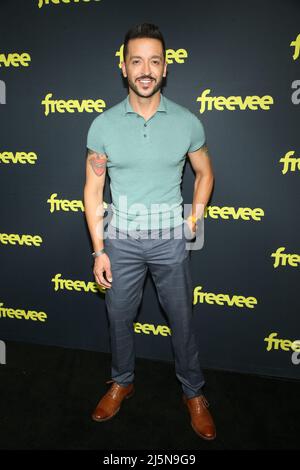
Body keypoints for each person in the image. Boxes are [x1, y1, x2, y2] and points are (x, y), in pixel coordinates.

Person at [83, 23, 216, 440]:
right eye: (136, 61)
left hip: (169, 239)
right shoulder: (103, 126)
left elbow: (205, 173)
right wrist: (98, 250)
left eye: (154, 61)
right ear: (124, 68)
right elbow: (92, 189)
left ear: (165, 68)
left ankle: (193, 392)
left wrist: (191, 222)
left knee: (182, 320)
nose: (146, 69)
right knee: (118, 318)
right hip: (119, 240)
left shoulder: (186, 122)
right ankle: (122, 380)